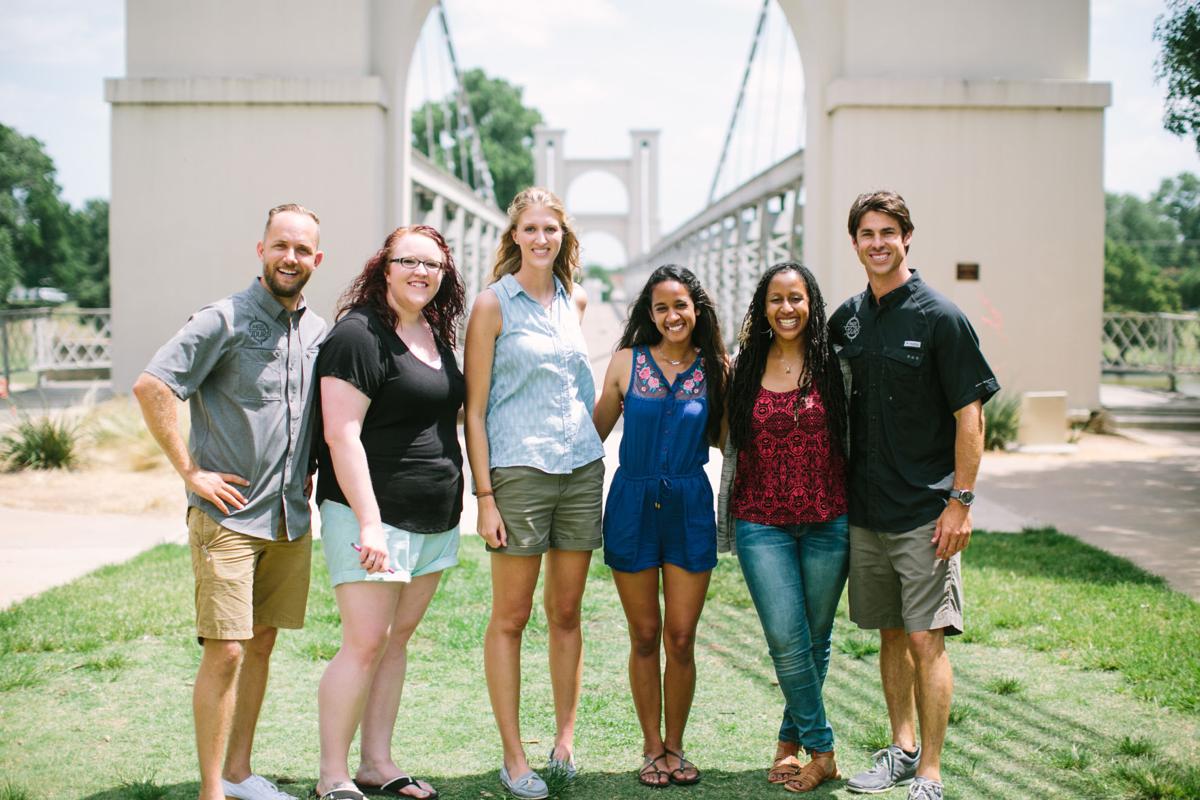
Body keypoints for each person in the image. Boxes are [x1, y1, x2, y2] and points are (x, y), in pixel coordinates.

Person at [133, 203, 327, 800]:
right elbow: (153, 385)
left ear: (317, 259)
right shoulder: (223, 319)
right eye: (281, 246)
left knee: (262, 643)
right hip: (228, 519)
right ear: (261, 250)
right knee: (226, 653)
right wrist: (191, 472)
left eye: (302, 249)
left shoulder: (318, 332)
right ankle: (211, 790)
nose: (290, 257)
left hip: (289, 518)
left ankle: (240, 774)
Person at [829, 191, 998, 800]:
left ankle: (930, 770)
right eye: (867, 234)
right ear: (855, 243)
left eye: (888, 232)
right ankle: (900, 751)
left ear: (907, 238)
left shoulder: (940, 317)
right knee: (891, 635)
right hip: (865, 512)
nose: (877, 243)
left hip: (925, 513)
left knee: (927, 639)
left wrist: (961, 502)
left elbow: (970, 415)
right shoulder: (846, 319)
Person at [312, 225, 466, 800]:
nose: (421, 272)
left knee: (394, 641)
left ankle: (376, 762)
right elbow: (341, 433)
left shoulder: (432, 332)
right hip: (374, 517)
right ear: (384, 266)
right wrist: (370, 522)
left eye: (433, 265)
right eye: (408, 261)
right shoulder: (359, 334)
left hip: (433, 518)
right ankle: (333, 775)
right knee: (365, 643)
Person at [463, 186, 605, 800]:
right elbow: (473, 411)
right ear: (515, 236)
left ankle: (565, 742)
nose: (541, 238)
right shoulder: (492, 305)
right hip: (518, 474)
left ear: (563, 236)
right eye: (531, 229)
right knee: (512, 617)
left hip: (581, 471)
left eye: (551, 229)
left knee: (566, 613)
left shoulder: (576, 300)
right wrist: (484, 496)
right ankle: (514, 755)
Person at [716, 261, 850, 794]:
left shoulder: (836, 365)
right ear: (763, 307)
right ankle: (824, 750)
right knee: (786, 640)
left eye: (797, 298)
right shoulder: (743, 366)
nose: (787, 308)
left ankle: (788, 745)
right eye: (776, 299)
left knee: (814, 640)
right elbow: (723, 435)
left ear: (811, 303)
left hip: (828, 518)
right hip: (760, 520)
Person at [592, 265, 728, 789]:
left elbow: (729, 440)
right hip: (631, 503)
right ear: (649, 314)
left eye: (680, 306)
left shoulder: (717, 369)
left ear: (697, 309)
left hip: (689, 506)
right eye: (661, 308)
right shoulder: (625, 362)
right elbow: (592, 435)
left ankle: (676, 745)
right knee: (645, 634)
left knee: (682, 637)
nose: (672, 316)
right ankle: (651, 748)